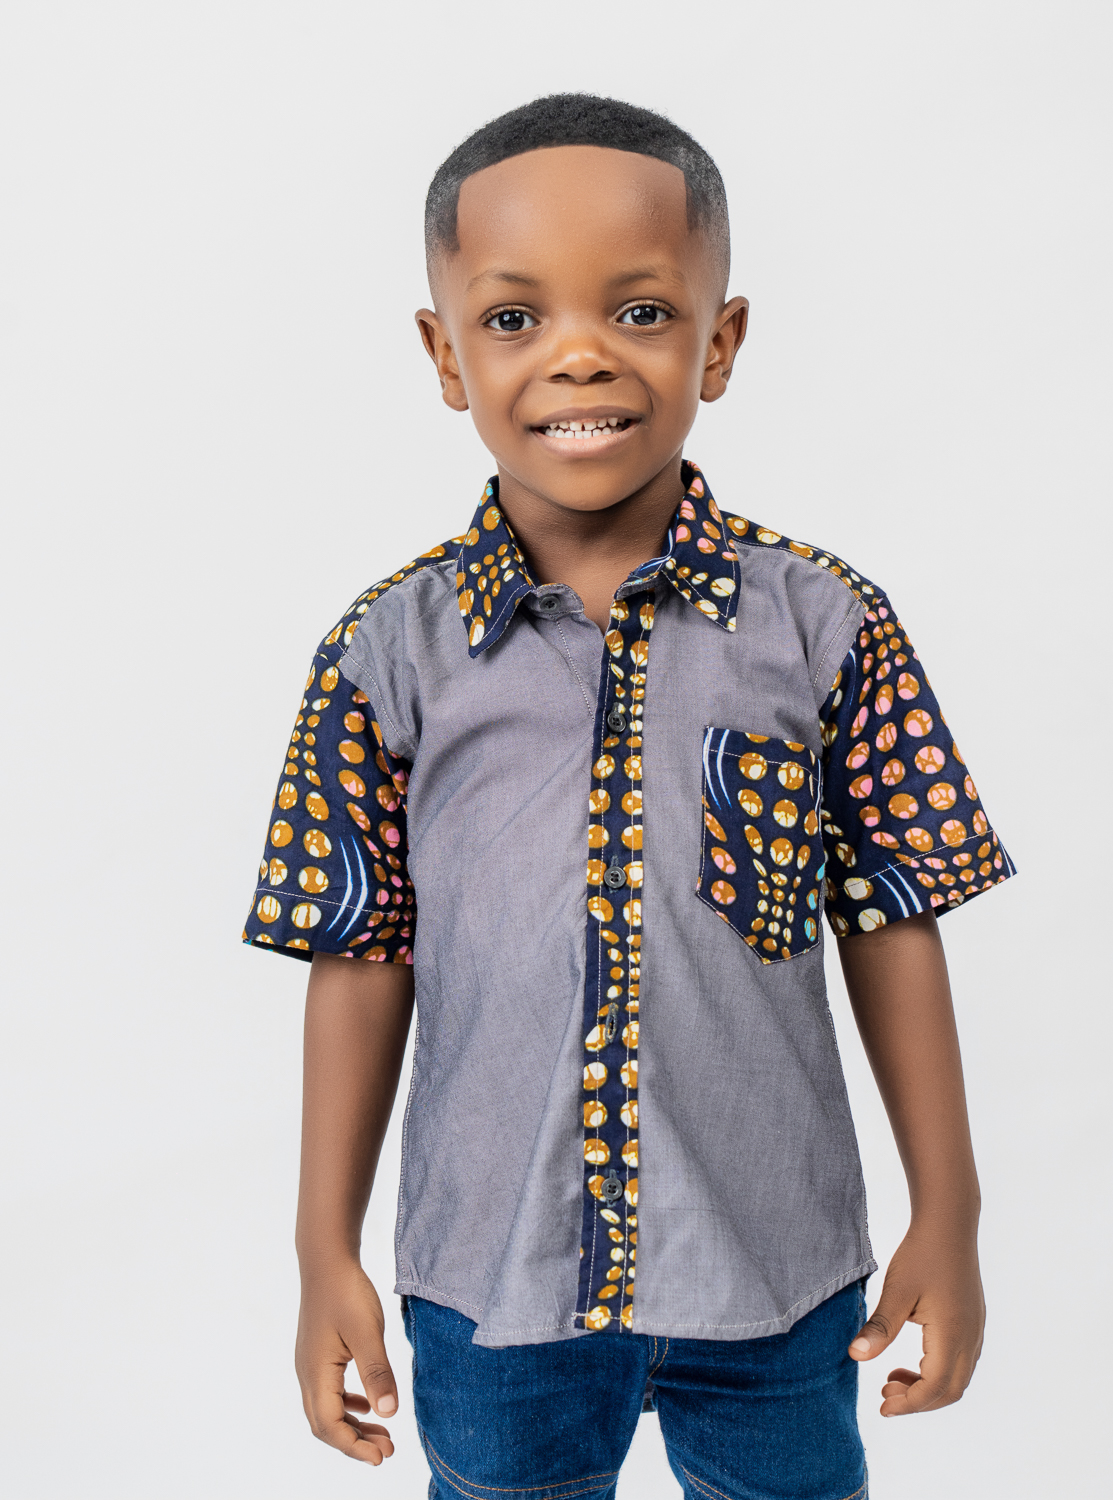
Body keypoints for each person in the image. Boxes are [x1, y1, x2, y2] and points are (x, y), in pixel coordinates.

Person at [243, 93, 1014, 1500]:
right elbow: (359, 955)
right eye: (514, 316)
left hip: (774, 1269)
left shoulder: (824, 623)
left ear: (719, 341)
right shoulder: (386, 653)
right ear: (446, 353)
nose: (581, 352)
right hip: (493, 1280)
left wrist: (949, 1211)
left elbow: (892, 916)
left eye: (643, 311)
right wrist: (320, 1249)